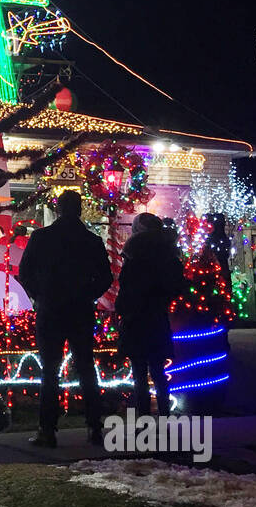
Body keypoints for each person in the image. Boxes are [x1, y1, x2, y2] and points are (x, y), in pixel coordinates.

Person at [16, 189, 114, 447]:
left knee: (50, 370)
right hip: (80, 310)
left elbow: (24, 272)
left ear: (58, 209)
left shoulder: (42, 237)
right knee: (86, 368)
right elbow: (106, 277)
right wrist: (88, 294)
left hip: (51, 310)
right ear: (79, 209)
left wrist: (40, 295)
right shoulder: (91, 241)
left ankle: (47, 429)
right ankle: (94, 426)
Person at [116, 213, 186, 417]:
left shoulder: (135, 251)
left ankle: (144, 418)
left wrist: (123, 308)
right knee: (158, 370)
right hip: (157, 316)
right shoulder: (168, 253)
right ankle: (164, 415)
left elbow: (126, 284)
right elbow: (177, 285)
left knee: (139, 372)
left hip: (136, 317)